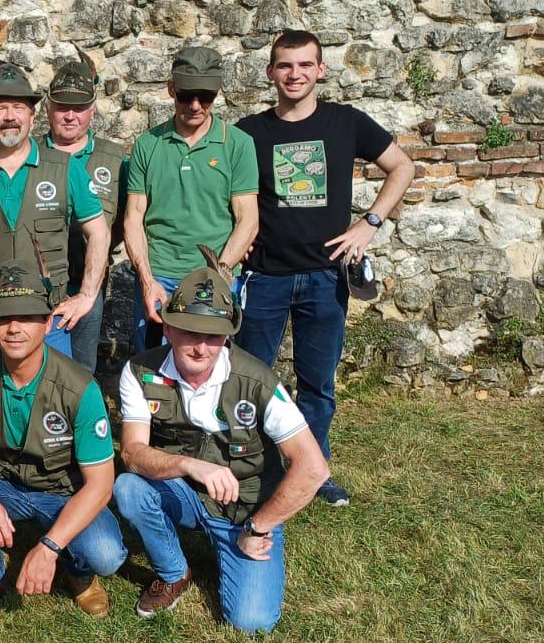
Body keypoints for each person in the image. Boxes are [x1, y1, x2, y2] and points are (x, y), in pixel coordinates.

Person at [235, 30, 416, 506]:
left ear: (321, 70)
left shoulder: (346, 122)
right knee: (251, 378)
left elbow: (402, 167)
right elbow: (223, 193)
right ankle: (255, 471)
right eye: (284, 65)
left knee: (318, 384)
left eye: (304, 65)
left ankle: (313, 472)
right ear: (270, 72)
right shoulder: (248, 132)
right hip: (266, 276)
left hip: (325, 276)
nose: (294, 74)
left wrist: (369, 224)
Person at [113, 247, 329, 633]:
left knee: (251, 622)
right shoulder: (139, 372)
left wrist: (260, 527)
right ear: (168, 328)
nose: (201, 347)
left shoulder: (257, 380)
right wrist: (189, 465)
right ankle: (174, 572)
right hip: (186, 491)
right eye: (190, 332)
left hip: (246, 511)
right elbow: (131, 453)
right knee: (129, 488)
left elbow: (313, 468)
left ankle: (237, 544)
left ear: (228, 335)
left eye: (213, 336)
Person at [0, 260, 126, 620]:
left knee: (105, 553)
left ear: (48, 323)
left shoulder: (80, 387)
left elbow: (101, 485)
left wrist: (49, 547)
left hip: (62, 488)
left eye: (26, 317)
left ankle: (78, 571)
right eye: (3, 318)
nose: (14, 328)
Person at [0, 64, 109, 357]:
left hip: (46, 319)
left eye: (18, 107)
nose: (10, 116)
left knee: (53, 386)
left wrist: (86, 295)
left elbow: (99, 232)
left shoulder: (65, 168)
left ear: (32, 116)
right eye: (0, 108)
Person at [123, 45, 259, 352]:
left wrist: (220, 273)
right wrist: (147, 281)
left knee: (209, 363)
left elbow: (248, 219)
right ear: (171, 89)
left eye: (205, 96)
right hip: (159, 276)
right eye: (186, 95)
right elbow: (133, 217)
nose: (195, 105)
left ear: (217, 93)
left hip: (214, 276)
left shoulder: (238, 144)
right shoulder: (148, 144)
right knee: (152, 364)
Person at [41, 56, 125, 374]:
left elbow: (126, 220)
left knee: (82, 370)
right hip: (38, 286)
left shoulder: (114, 158)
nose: (70, 116)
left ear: (92, 109)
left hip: (87, 285)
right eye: (62, 107)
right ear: (48, 107)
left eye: (79, 108)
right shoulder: (29, 153)